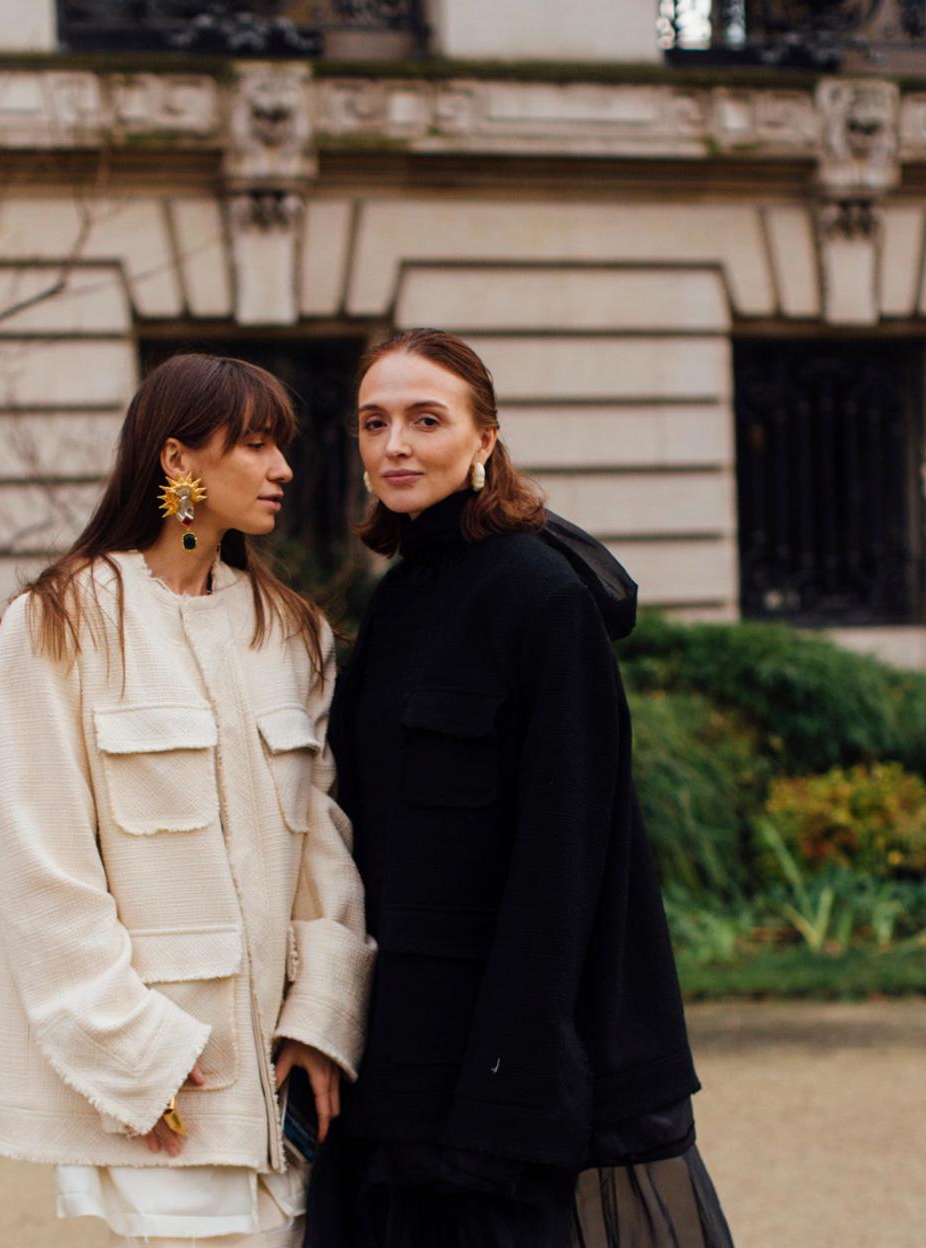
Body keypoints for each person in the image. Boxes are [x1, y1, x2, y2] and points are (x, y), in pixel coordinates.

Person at [305, 329, 735, 1248]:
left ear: (485, 439)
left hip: (499, 1059)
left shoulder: (542, 599)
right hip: (397, 1042)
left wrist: (512, 1080)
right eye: (374, 424)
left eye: (427, 420)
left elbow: (567, 858)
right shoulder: (399, 596)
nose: (396, 446)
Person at [0, 353, 376, 1248]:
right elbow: (38, 867)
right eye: (256, 445)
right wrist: (135, 1056)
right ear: (177, 462)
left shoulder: (292, 633)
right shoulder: (60, 624)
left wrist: (323, 1020)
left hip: (288, 1096)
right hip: (170, 1091)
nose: (283, 470)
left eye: (284, 447)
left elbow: (324, 846)